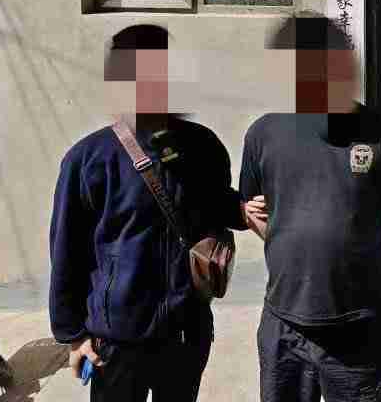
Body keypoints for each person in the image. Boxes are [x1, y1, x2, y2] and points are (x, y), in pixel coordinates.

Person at [49, 24, 251, 402]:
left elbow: (217, 207)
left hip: (186, 331)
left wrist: (245, 211)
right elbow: (67, 252)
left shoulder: (203, 146)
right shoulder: (89, 160)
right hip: (117, 341)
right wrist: (73, 336)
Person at [240, 14, 381, 402]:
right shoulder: (264, 133)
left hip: (355, 324)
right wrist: (280, 234)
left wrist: (369, 247)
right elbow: (253, 209)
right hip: (284, 324)